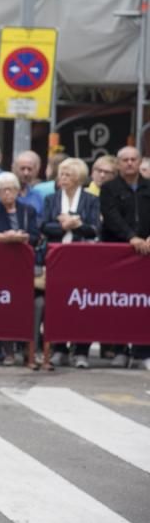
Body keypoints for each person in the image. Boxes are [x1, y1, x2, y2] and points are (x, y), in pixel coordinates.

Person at [40, 157, 99, 368]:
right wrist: (64, 227)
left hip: (83, 258)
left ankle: (81, 350)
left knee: (82, 303)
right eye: (61, 174)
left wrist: (77, 224)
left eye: (67, 175)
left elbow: (94, 229)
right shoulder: (51, 199)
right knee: (56, 304)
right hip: (57, 257)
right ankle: (59, 348)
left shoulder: (90, 200)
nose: (62, 178)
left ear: (78, 178)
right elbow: (44, 226)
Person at [0, 172, 39, 366]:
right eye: (3, 190)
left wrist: (21, 236)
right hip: (2, 264)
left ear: (17, 191)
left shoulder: (27, 210)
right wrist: (5, 236)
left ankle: (26, 350)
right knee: (6, 306)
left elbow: (35, 235)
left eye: (11, 189)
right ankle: (8, 351)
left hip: (24, 263)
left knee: (25, 306)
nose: (7, 193)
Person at [100, 146, 150, 369]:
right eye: (125, 160)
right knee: (119, 300)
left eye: (133, 159)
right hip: (119, 251)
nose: (130, 163)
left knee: (143, 303)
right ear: (118, 164)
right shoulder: (109, 188)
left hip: (146, 253)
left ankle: (141, 352)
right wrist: (131, 237)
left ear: (140, 162)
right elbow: (110, 216)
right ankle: (119, 349)